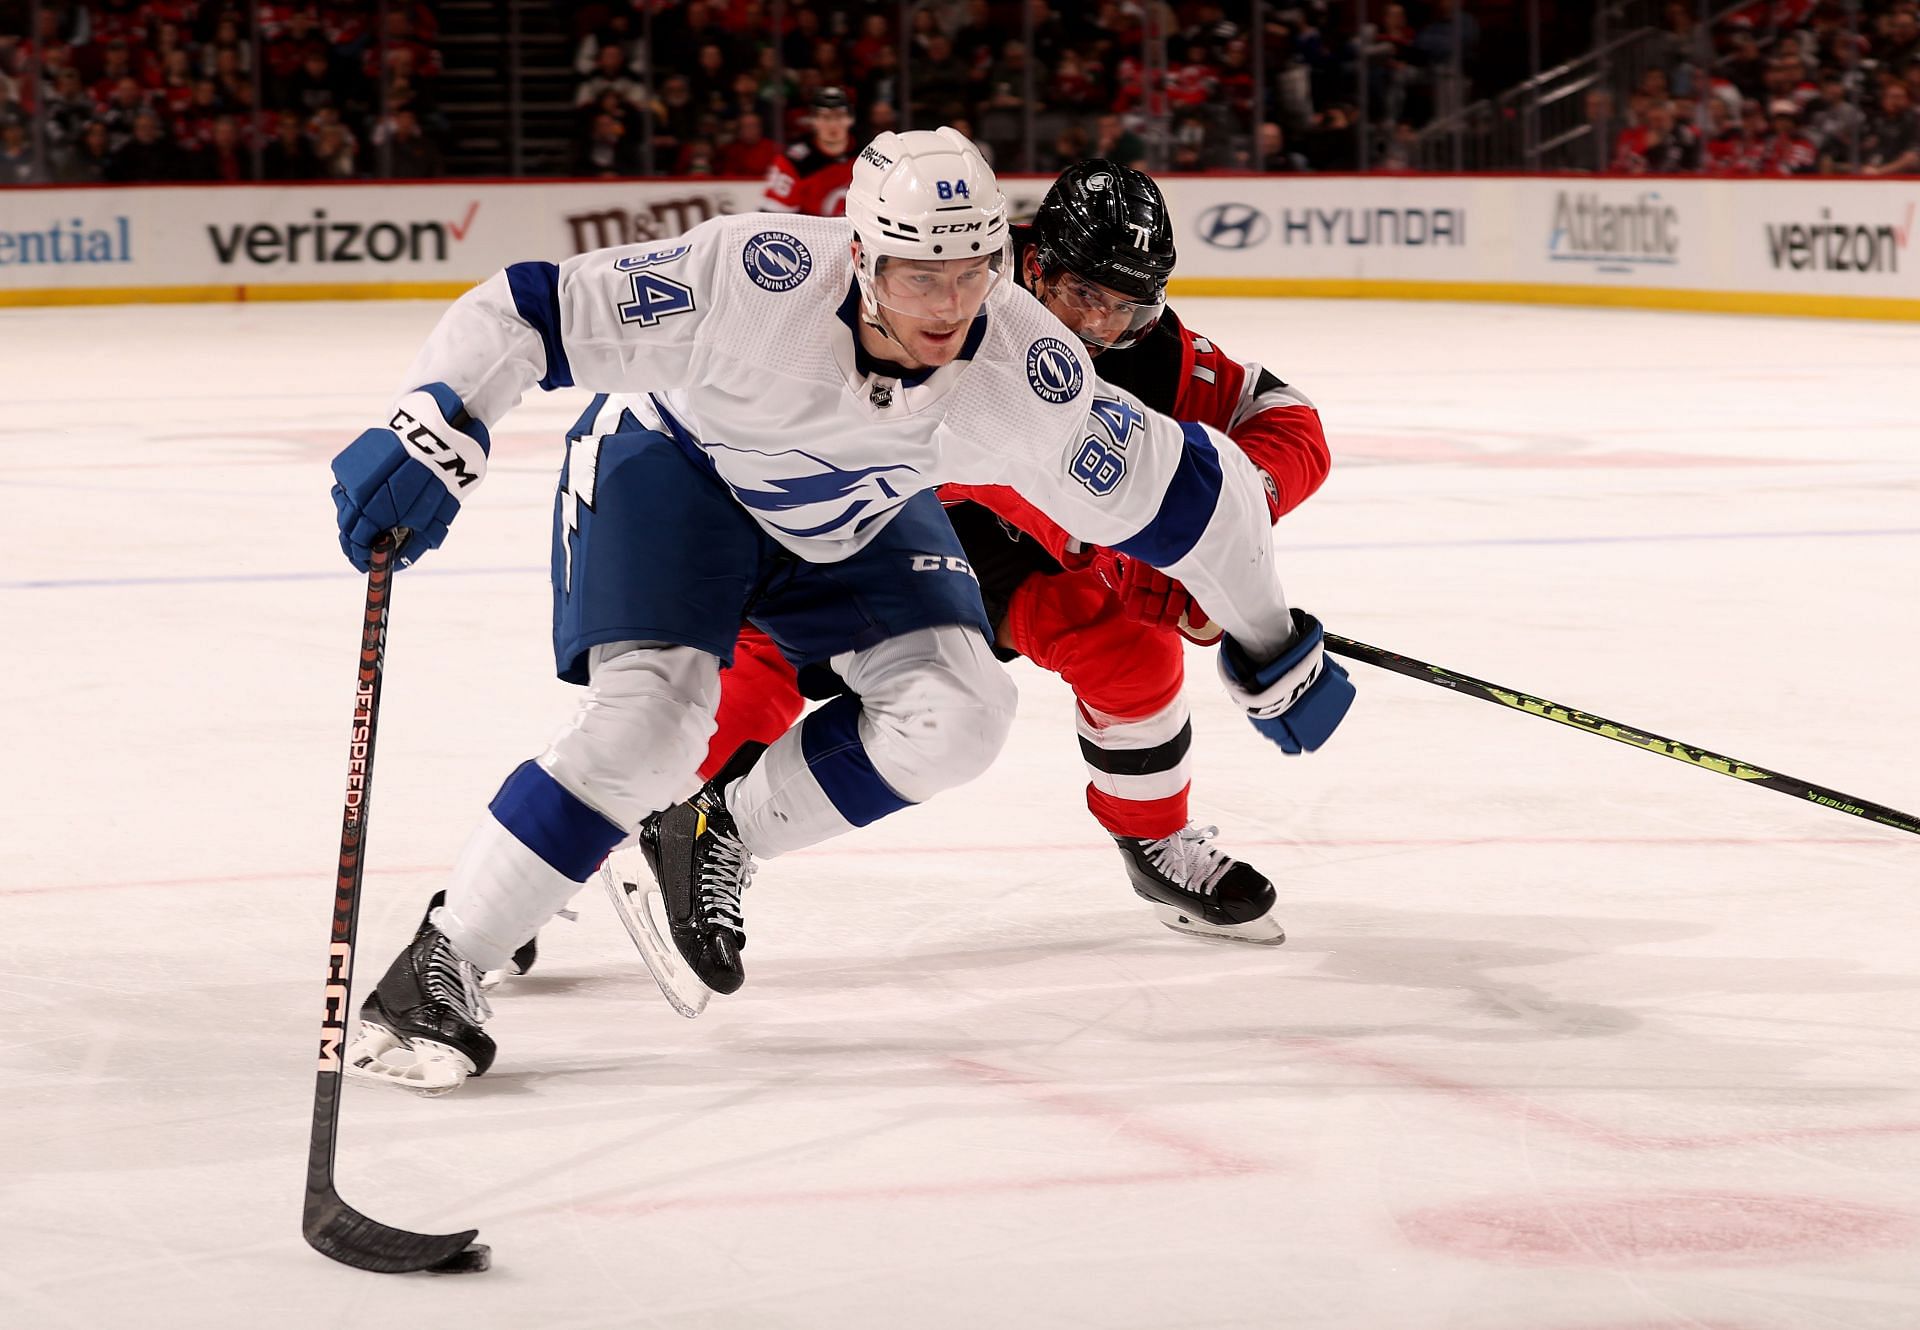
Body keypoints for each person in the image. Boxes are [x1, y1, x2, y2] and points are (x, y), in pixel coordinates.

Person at [330, 128, 1353, 1094]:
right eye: (919, 273)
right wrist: (433, 425)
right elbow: (526, 310)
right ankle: (441, 960)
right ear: (862, 255)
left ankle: (716, 830)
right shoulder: (751, 276)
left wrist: (1271, 641)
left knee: (961, 712)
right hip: (676, 471)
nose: (948, 303)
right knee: (655, 724)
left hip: (852, 507)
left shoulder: (1025, 370)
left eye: (971, 270)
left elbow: (1206, 506)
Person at [609, 158, 1330, 982]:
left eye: (1128, 304)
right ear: (1033, 265)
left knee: (1132, 653)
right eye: (1086, 296)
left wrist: (1238, 522)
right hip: (860, 524)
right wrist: (1121, 554)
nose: (1102, 323)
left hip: (995, 556)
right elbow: (956, 458)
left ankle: (1153, 836)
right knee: (735, 694)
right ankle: (554, 857)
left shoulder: (1150, 347)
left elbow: (1283, 418)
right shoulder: (955, 305)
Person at [763, 85, 856, 217]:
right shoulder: (793, 162)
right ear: (813, 120)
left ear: (851, 119)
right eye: (825, 117)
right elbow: (772, 216)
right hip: (809, 235)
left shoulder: (868, 153)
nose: (832, 124)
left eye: (839, 116)